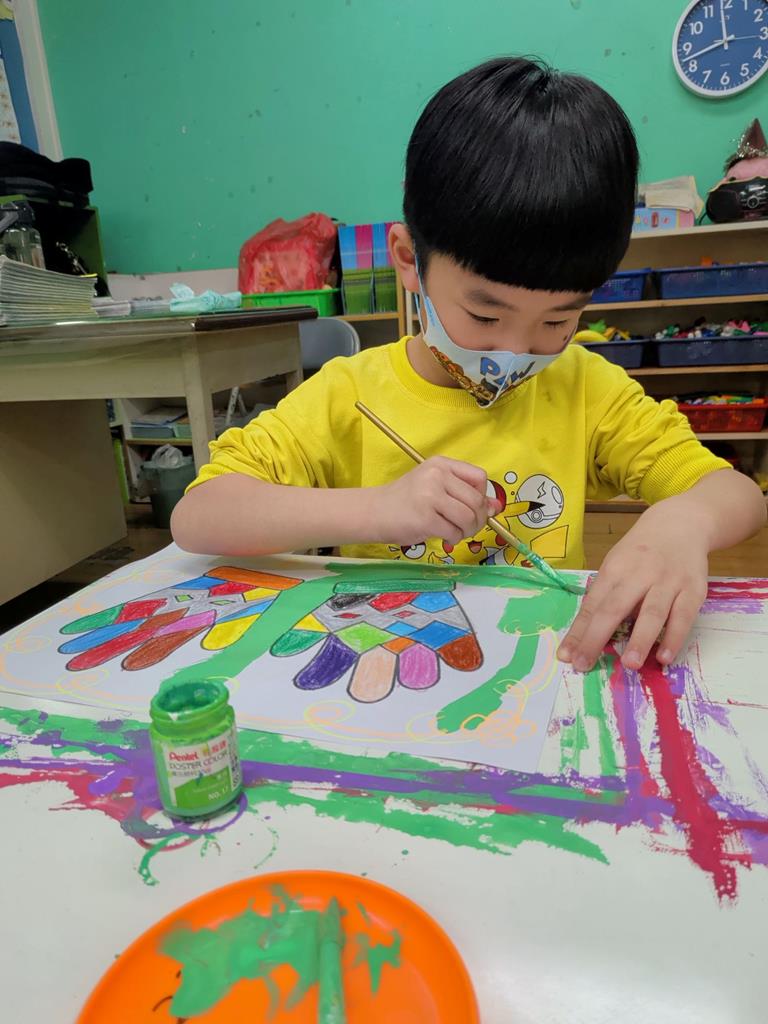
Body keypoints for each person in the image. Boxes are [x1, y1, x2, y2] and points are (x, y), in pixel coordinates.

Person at [171, 57, 766, 673]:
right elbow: (200, 515)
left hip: (532, 674)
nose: (514, 351)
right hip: (386, 661)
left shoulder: (587, 391)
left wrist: (685, 522)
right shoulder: (350, 394)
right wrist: (377, 508)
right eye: (485, 316)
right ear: (409, 260)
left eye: (557, 321)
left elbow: (736, 494)